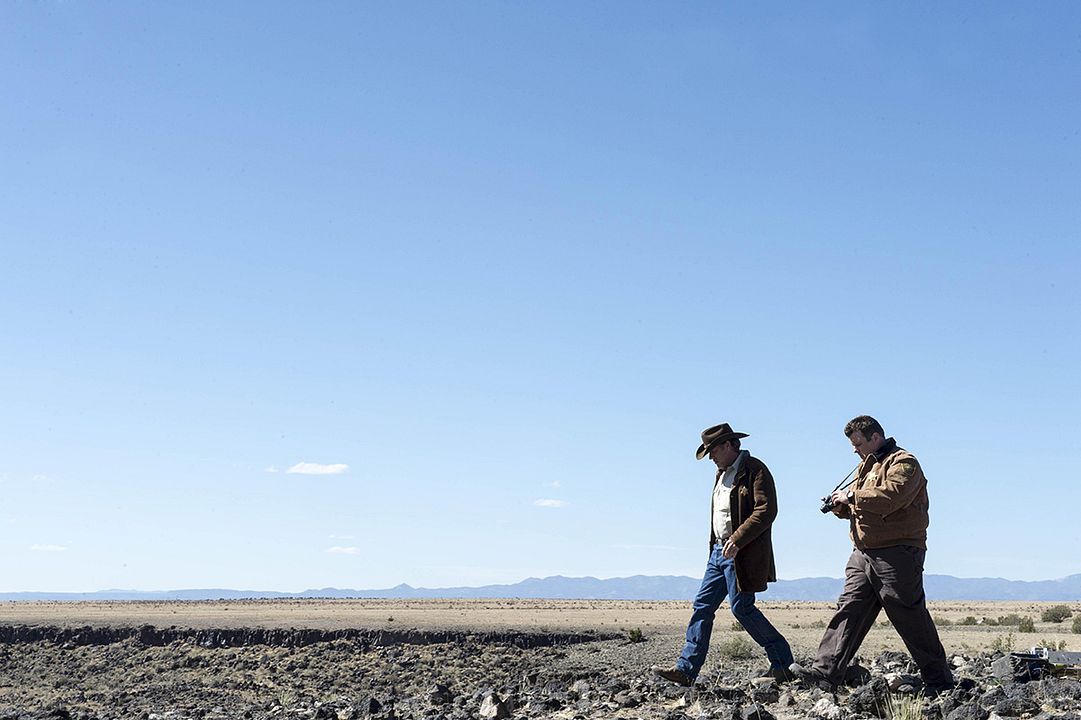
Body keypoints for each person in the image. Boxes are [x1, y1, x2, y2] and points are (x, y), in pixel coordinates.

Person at [792, 415, 953, 692]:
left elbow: (892, 497)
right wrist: (841, 507)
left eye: (858, 444)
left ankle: (940, 681)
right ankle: (825, 673)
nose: (855, 450)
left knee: (908, 615)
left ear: (875, 437)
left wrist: (852, 497)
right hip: (863, 552)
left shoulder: (904, 463)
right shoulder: (865, 467)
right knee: (849, 608)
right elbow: (862, 507)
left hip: (897, 552)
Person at [653, 423, 794, 686]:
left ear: (728, 445)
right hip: (718, 552)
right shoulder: (721, 474)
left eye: (713, 451)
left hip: (741, 553)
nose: (711, 458)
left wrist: (737, 540)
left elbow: (766, 510)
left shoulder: (754, 470)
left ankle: (782, 662)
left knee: (742, 608)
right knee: (702, 606)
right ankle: (686, 670)